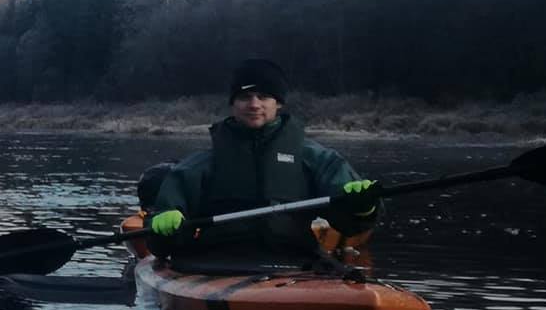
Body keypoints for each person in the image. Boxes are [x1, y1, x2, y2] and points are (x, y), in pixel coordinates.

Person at [145, 59, 378, 259]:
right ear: (233, 104)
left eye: (263, 96)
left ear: (278, 102)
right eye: (245, 97)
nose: (254, 104)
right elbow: (161, 243)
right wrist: (163, 222)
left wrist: (363, 208)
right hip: (217, 265)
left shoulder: (317, 159)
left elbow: (354, 224)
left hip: (296, 265)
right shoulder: (199, 166)